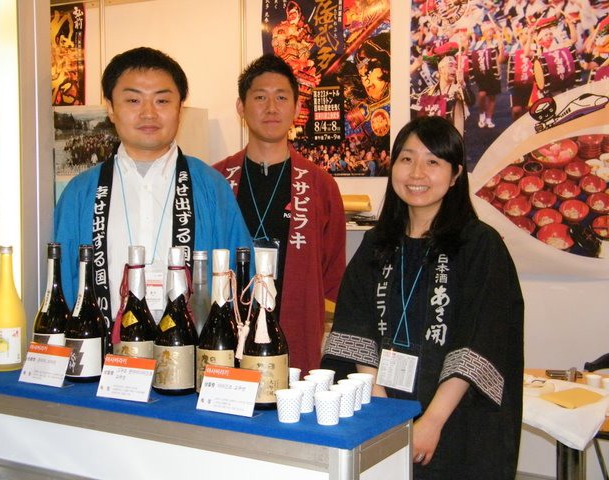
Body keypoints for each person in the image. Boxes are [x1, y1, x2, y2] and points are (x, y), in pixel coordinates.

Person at [322, 116, 524, 479]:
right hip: (381, 406)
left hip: (453, 419)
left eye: (433, 161)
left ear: (456, 174)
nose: (417, 173)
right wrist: (383, 415)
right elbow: (356, 327)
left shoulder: (480, 245)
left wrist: (431, 421)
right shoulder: (376, 244)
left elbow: (481, 339)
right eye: (407, 159)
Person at [54, 47, 253, 332]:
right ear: (110, 107)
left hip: (196, 351)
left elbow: (243, 282)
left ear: (180, 108)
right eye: (133, 100)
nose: (148, 113)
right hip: (104, 351)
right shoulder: (80, 193)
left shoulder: (212, 187)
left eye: (162, 100)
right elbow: (62, 284)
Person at [213, 54, 346, 374]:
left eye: (282, 98)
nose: (271, 108)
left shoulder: (320, 185)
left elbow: (332, 273)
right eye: (260, 97)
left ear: (297, 108)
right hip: (224, 330)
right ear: (241, 107)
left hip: (294, 332)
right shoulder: (215, 180)